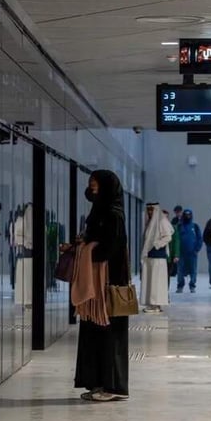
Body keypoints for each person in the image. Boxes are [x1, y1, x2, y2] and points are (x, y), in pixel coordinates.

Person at [72, 170, 131, 402]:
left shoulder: (113, 215)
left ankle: (113, 386)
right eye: (90, 183)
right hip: (95, 284)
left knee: (110, 332)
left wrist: (87, 249)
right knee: (94, 332)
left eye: (95, 183)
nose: (91, 186)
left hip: (108, 283)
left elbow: (110, 248)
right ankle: (97, 383)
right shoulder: (99, 211)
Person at [141, 203, 173, 313]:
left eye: (151, 210)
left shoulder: (161, 221)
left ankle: (156, 305)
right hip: (150, 256)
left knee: (156, 282)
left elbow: (168, 236)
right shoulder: (149, 222)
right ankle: (151, 303)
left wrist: (157, 244)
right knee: (150, 281)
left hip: (158, 257)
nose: (149, 212)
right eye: (148, 210)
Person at [175, 208, 203, 293]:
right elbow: (176, 239)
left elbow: (200, 238)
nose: (187, 216)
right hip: (181, 253)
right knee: (180, 270)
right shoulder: (179, 226)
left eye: (189, 215)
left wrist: (197, 249)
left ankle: (192, 285)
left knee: (193, 270)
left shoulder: (195, 226)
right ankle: (180, 286)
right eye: (186, 214)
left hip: (192, 253)